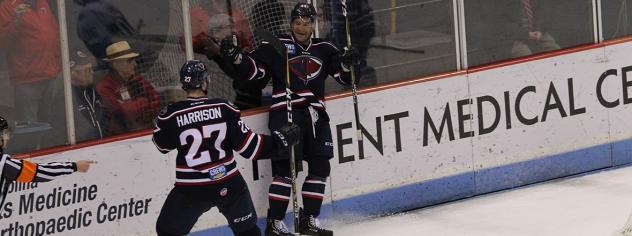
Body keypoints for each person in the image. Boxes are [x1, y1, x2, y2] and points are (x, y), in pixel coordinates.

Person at [220, 3, 359, 236]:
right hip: (286, 113)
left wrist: (348, 62)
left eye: (306, 24)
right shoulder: (277, 46)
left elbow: (344, 78)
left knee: (320, 166)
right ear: (291, 23)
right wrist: (236, 58)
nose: (301, 28)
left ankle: (308, 220)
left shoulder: (325, 48)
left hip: (316, 116)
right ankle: (275, 223)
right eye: (297, 23)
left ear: (313, 24)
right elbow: (254, 72)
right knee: (285, 170)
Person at [152, 60, 300, 236]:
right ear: (206, 81)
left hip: (192, 189)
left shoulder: (171, 114)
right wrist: (280, 140)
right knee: (248, 231)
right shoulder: (224, 108)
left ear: (184, 84)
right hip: (229, 184)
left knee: (166, 231)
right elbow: (250, 148)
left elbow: (161, 145)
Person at [0, 0, 66, 148]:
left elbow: (54, 32)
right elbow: (4, 42)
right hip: (27, 79)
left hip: (51, 74)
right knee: (29, 128)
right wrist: (16, 22)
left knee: (52, 123)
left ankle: (51, 154)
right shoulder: (7, 6)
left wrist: (59, 63)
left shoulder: (42, 2)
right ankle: (32, 160)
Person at [0, 115, 95, 213]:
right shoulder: (5, 165)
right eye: (5, 134)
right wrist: (74, 166)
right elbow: (41, 172)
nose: (7, 138)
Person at [96, 41, 160, 135]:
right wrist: (144, 102)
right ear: (116, 65)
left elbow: (156, 101)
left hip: (147, 131)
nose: (135, 64)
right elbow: (122, 113)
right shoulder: (105, 87)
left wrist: (131, 106)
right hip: (122, 137)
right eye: (130, 61)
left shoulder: (137, 78)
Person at [70, 47, 105, 141]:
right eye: (86, 70)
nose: (92, 72)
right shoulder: (66, 100)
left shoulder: (94, 90)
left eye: (91, 69)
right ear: (73, 74)